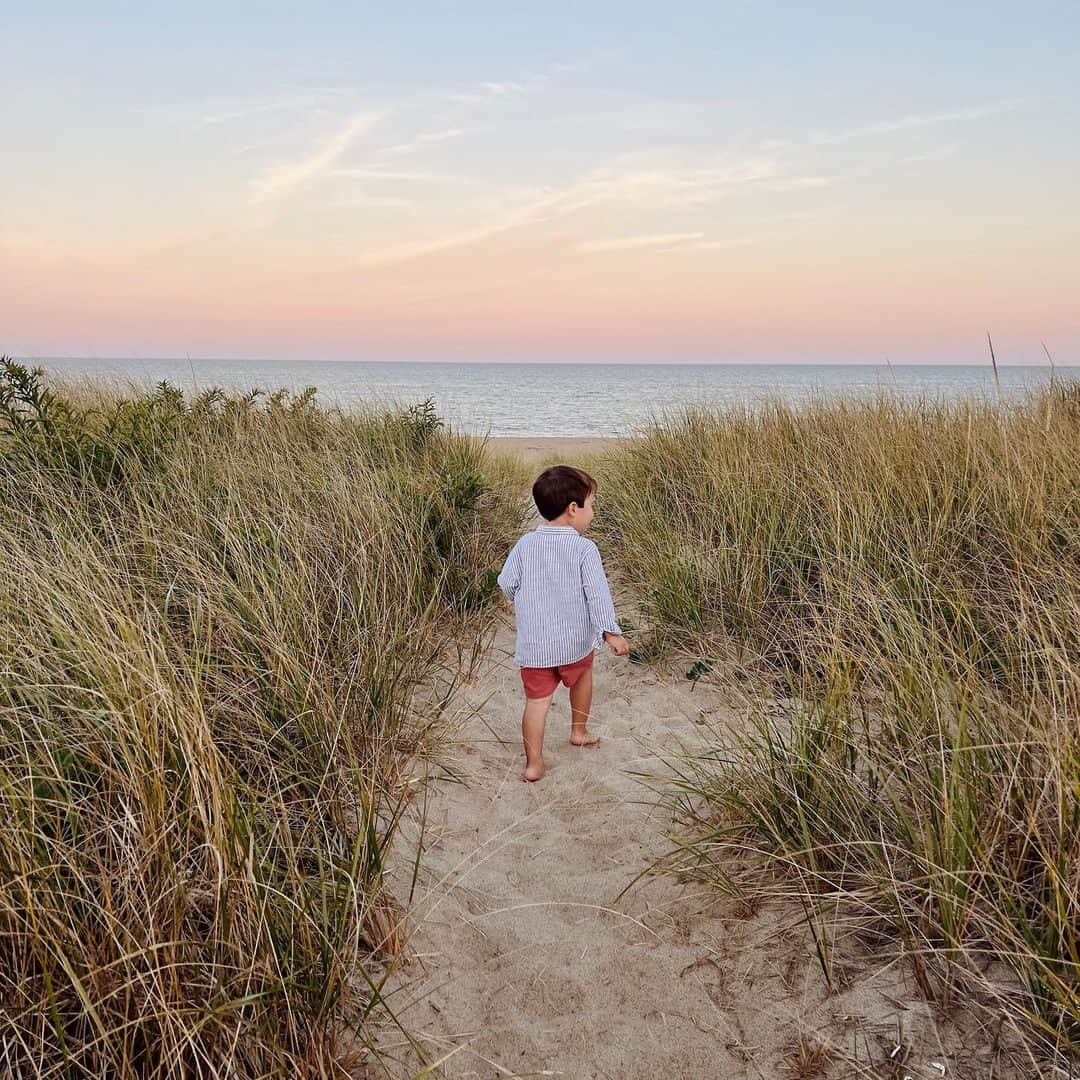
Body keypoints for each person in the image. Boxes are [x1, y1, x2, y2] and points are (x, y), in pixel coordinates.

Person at [496, 465, 630, 782]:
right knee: (583, 677)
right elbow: (597, 595)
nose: (592, 512)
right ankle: (579, 731)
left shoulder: (525, 545)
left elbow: (506, 582)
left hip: (535, 645)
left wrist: (525, 597)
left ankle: (533, 764)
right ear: (573, 509)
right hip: (574, 643)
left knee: (536, 703)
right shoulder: (584, 549)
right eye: (592, 504)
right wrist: (611, 631)